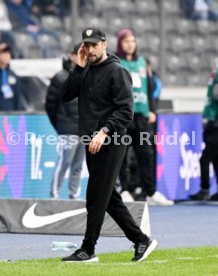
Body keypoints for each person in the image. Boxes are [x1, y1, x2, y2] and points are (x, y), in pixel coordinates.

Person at [60, 27, 158, 262]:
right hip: (91, 140)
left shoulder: (117, 71)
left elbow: (126, 111)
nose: (90, 50)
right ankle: (140, 239)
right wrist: (79, 67)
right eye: (87, 45)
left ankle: (88, 249)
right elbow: (65, 95)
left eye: (94, 45)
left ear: (104, 44)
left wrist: (104, 132)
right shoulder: (84, 70)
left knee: (95, 196)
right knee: (108, 197)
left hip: (112, 140)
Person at [116, 28, 174, 206]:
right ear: (120, 43)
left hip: (142, 118)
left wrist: (153, 111)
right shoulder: (116, 63)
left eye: (133, 41)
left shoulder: (142, 63)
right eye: (126, 41)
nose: (130, 44)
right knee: (122, 156)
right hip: (124, 117)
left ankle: (151, 192)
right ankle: (124, 189)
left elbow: (150, 89)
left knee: (146, 155)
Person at [45, 43, 85, 200]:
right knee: (65, 162)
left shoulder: (88, 75)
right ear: (72, 55)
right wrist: (61, 126)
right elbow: (51, 105)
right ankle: (53, 195)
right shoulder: (60, 77)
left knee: (78, 165)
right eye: (79, 54)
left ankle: (74, 195)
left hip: (84, 129)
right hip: (67, 129)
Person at [190, 66, 218, 201]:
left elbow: (216, 94)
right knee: (215, 158)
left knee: (205, 159)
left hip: (215, 122)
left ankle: (205, 189)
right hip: (213, 119)